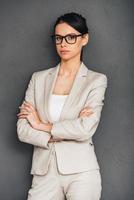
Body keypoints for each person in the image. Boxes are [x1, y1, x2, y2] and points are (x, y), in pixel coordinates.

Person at [17, 12, 107, 200]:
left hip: (81, 172)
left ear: (84, 39)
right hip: (44, 172)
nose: (63, 43)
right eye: (58, 38)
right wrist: (61, 134)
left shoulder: (95, 80)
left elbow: (85, 129)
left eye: (71, 37)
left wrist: (41, 125)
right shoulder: (38, 79)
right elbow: (23, 130)